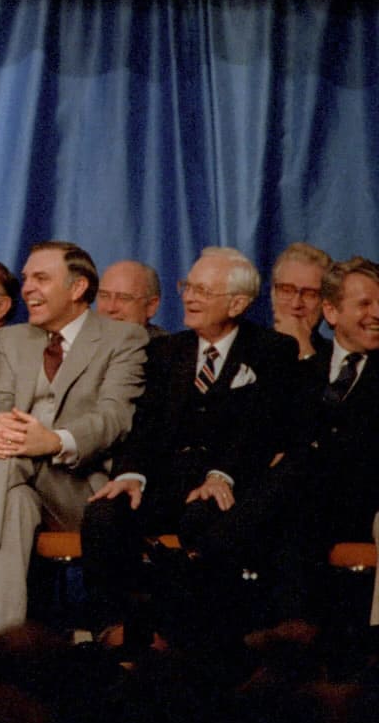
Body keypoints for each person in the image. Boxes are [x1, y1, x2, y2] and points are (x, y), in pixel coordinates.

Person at [81, 247, 296, 637]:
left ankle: (192, 640)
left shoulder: (272, 350)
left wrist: (222, 475)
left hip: (228, 484)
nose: (190, 298)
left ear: (238, 303)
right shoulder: (166, 351)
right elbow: (143, 424)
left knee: (203, 519)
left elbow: (262, 429)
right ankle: (112, 631)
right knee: (103, 514)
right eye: (188, 287)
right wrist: (130, 474)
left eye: (203, 291)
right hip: (164, 484)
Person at [0, 240, 148, 635]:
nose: (27, 288)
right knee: (16, 502)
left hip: (80, 488)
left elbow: (115, 417)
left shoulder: (123, 338)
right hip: (17, 485)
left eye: (41, 278)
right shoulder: (13, 340)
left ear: (77, 288)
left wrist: (54, 441)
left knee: (9, 459)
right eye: (25, 279)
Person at [227, 255, 379, 623]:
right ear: (332, 311)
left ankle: (213, 550)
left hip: (358, 495)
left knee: (301, 465)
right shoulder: (303, 366)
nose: (377, 314)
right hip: (298, 497)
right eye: (365, 304)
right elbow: (269, 429)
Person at [268, 241, 332, 362]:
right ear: (273, 294)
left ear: (326, 303)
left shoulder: (338, 359)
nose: (296, 304)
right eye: (287, 291)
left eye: (310, 294)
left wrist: (304, 348)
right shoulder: (246, 349)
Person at [97, 259, 166, 338]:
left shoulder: (167, 345)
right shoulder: (86, 339)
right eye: (104, 296)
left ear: (151, 306)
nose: (110, 308)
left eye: (123, 298)